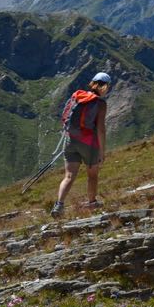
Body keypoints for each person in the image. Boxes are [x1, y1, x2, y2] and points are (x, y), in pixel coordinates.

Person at [51, 72, 111, 217]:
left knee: (69, 176)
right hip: (89, 144)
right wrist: (102, 151)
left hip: (71, 140)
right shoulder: (100, 103)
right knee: (92, 175)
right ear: (105, 86)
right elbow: (101, 129)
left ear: (92, 82)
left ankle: (59, 205)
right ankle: (92, 203)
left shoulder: (77, 96)